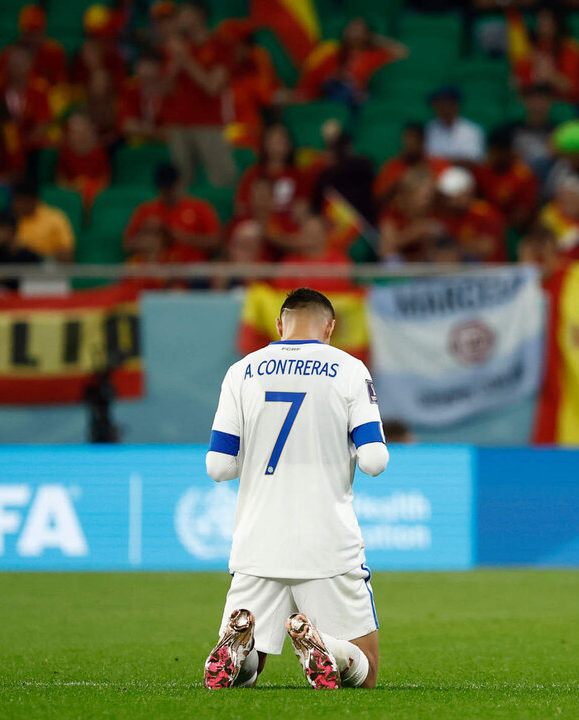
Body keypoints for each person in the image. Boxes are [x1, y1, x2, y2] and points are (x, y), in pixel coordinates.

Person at [203, 287, 387, 691]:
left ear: (279, 324)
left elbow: (218, 467)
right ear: (331, 328)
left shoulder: (242, 370)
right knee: (367, 671)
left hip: (257, 543)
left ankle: (241, 653)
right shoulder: (349, 369)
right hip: (327, 544)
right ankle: (330, 650)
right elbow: (375, 460)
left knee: (247, 674)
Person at [163, 0, 236, 188]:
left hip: (208, 124)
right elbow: (166, 90)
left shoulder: (221, 46)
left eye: (184, 12)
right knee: (180, 185)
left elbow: (212, 86)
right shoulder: (176, 48)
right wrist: (175, 65)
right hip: (178, 124)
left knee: (223, 180)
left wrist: (186, 61)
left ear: (199, 15)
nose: (179, 17)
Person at [294, 17, 407, 104]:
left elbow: (402, 52)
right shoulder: (332, 56)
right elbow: (307, 88)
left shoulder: (374, 56)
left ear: (367, 34)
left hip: (360, 104)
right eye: (351, 26)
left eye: (359, 28)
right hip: (333, 102)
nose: (353, 30)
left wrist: (375, 38)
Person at [124, 163, 221, 263]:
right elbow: (127, 245)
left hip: (192, 270)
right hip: (156, 269)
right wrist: (145, 232)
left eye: (170, 187)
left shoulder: (200, 207)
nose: (167, 192)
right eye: (163, 187)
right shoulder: (146, 210)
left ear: (179, 183)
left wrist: (182, 237)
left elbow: (216, 243)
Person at [505, 6, 579, 103]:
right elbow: (519, 81)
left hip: (564, 104)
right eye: (540, 19)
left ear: (557, 23)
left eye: (546, 20)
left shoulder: (571, 49)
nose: (542, 24)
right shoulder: (530, 48)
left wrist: (550, 75)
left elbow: (573, 89)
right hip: (533, 102)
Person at [435, 166, 506, 262]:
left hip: (489, 271)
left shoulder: (485, 213)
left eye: (454, 196)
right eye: (447, 197)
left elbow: (488, 247)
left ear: (468, 192)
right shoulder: (446, 214)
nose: (449, 201)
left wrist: (455, 249)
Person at [477, 127, 539, 232]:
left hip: (516, 231)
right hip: (486, 225)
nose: (493, 156)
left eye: (496, 152)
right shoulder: (483, 171)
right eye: (491, 151)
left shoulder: (523, 175)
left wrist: (501, 228)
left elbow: (524, 212)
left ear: (508, 152)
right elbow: (477, 202)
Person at [373, 123, 450, 207]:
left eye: (414, 139)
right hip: (398, 217)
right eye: (407, 139)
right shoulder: (392, 166)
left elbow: (451, 196)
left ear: (422, 141)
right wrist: (399, 186)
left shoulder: (438, 165)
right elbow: (378, 199)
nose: (410, 144)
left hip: (433, 217)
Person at [0, 5, 68, 87]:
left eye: (37, 32)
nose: (33, 37)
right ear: (22, 32)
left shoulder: (54, 52)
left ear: (43, 31)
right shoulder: (8, 54)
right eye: (29, 33)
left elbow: (60, 84)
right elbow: (2, 83)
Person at [11, 180, 76, 262]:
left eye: (23, 202)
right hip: (15, 268)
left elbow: (67, 256)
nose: (18, 206)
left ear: (34, 200)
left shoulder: (55, 218)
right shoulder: (8, 219)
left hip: (45, 267)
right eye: (16, 201)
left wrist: (34, 254)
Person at [424, 86, 484, 163]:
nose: (442, 108)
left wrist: (445, 161)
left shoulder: (472, 131)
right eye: (438, 104)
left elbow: (474, 160)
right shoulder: (429, 129)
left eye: (445, 104)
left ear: (455, 105)